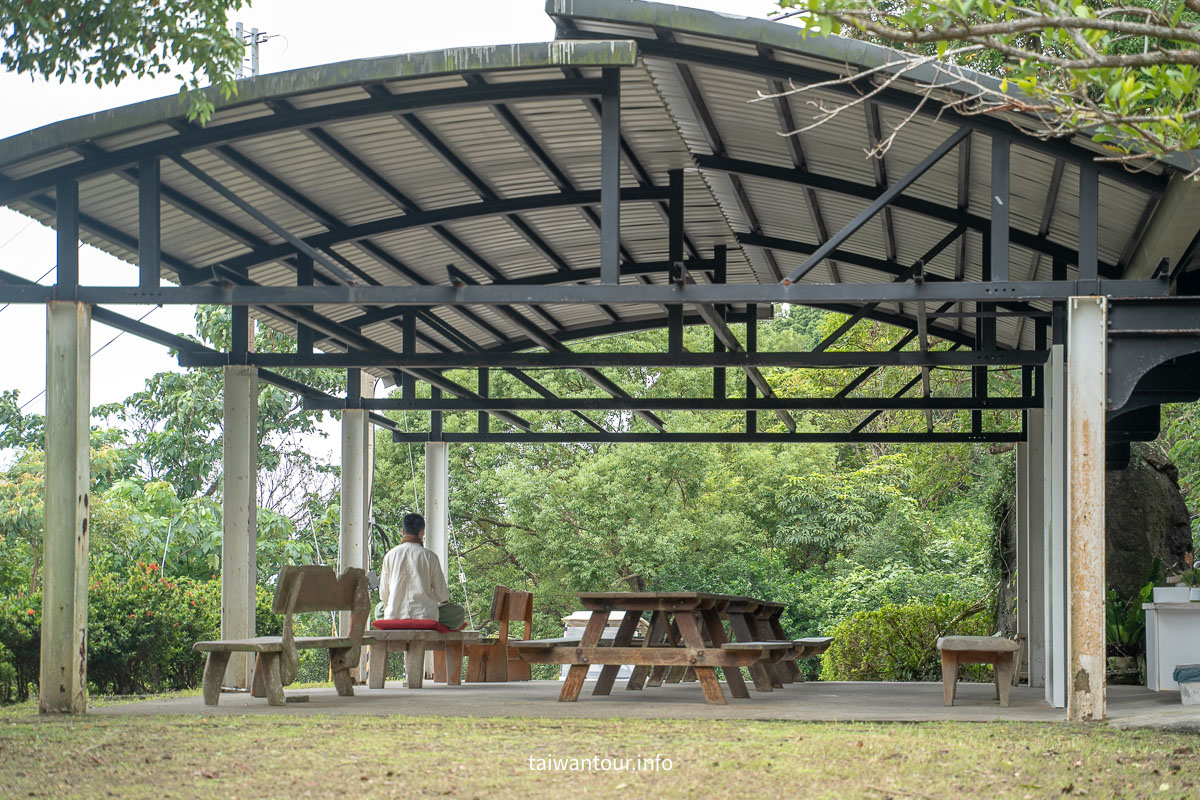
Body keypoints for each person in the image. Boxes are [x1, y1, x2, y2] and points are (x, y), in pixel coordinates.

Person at [375, 512, 465, 630]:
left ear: (403, 531)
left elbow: (383, 595)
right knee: (458, 612)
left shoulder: (389, 556)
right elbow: (443, 596)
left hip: (394, 615)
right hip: (425, 615)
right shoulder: (430, 556)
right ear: (422, 532)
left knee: (379, 609)